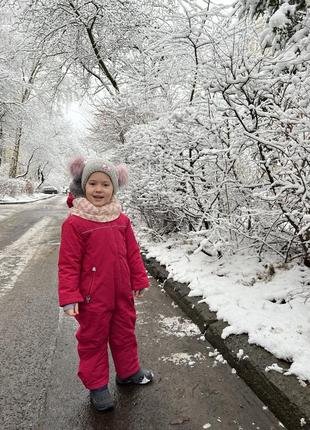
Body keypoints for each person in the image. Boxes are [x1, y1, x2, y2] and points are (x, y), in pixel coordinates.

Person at [58, 157, 153, 412]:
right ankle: (97, 385)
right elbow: (67, 263)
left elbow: (132, 252)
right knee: (93, 340)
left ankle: (128, 372)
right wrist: (69, 296)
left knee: (124, 333)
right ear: (83, 186)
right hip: (92, 298)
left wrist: (139, 278)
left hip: (122, 294)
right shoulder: (75, 223)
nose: (99, 190)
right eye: (92, 184)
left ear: (114, 188)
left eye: (105, 185)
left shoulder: (121, 220)